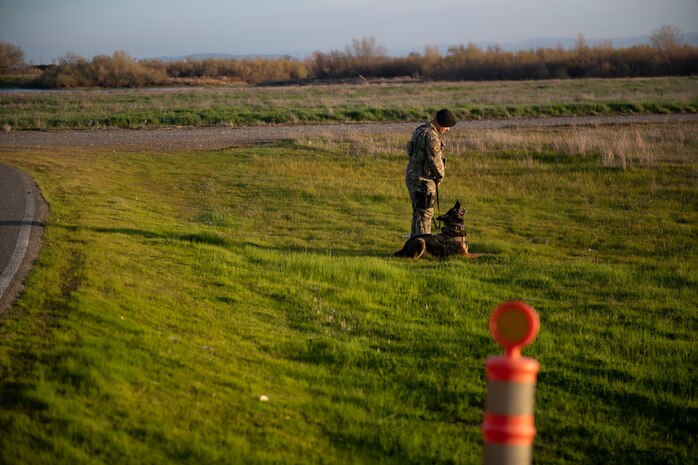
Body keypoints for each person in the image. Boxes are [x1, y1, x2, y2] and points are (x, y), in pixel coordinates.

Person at [405, 108, 457, 237]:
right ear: (441, 122)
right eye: (447, 126)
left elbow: (412, 153)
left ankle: (415, 243)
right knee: (425, 214)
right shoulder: (431, 136)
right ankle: (423, 245)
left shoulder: (419, 130)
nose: (448, 129)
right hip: (423, 180)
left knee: (418, 212)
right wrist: (440, 176)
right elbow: (435, 160)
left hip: (412, 176)